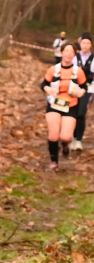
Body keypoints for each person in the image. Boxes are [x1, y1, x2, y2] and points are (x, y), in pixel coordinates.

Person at [41, 41, 87, 169]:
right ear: (61, 53)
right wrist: (47, 89)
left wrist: (81, 92)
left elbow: (84, 86)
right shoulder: (53, 69)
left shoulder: (78, 71)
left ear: (74, 55)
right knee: (53, 135)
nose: (68, 54)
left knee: (65, 137)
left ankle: (65, 144)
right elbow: (44, 84)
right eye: (66, 51)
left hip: (71, 104)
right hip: (54, 103)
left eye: (71, 52)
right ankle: (54, 162)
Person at [71, 32, 94, 151]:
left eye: (88, 43)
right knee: (72, 112)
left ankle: (78, 140)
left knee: (81, 113)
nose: (85, 45)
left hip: (88, 89)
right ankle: (72, 137)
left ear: (91, 45)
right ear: (80, 44)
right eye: (83, 43)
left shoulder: (93, 59)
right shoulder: (75, 57)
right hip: (74, 88)